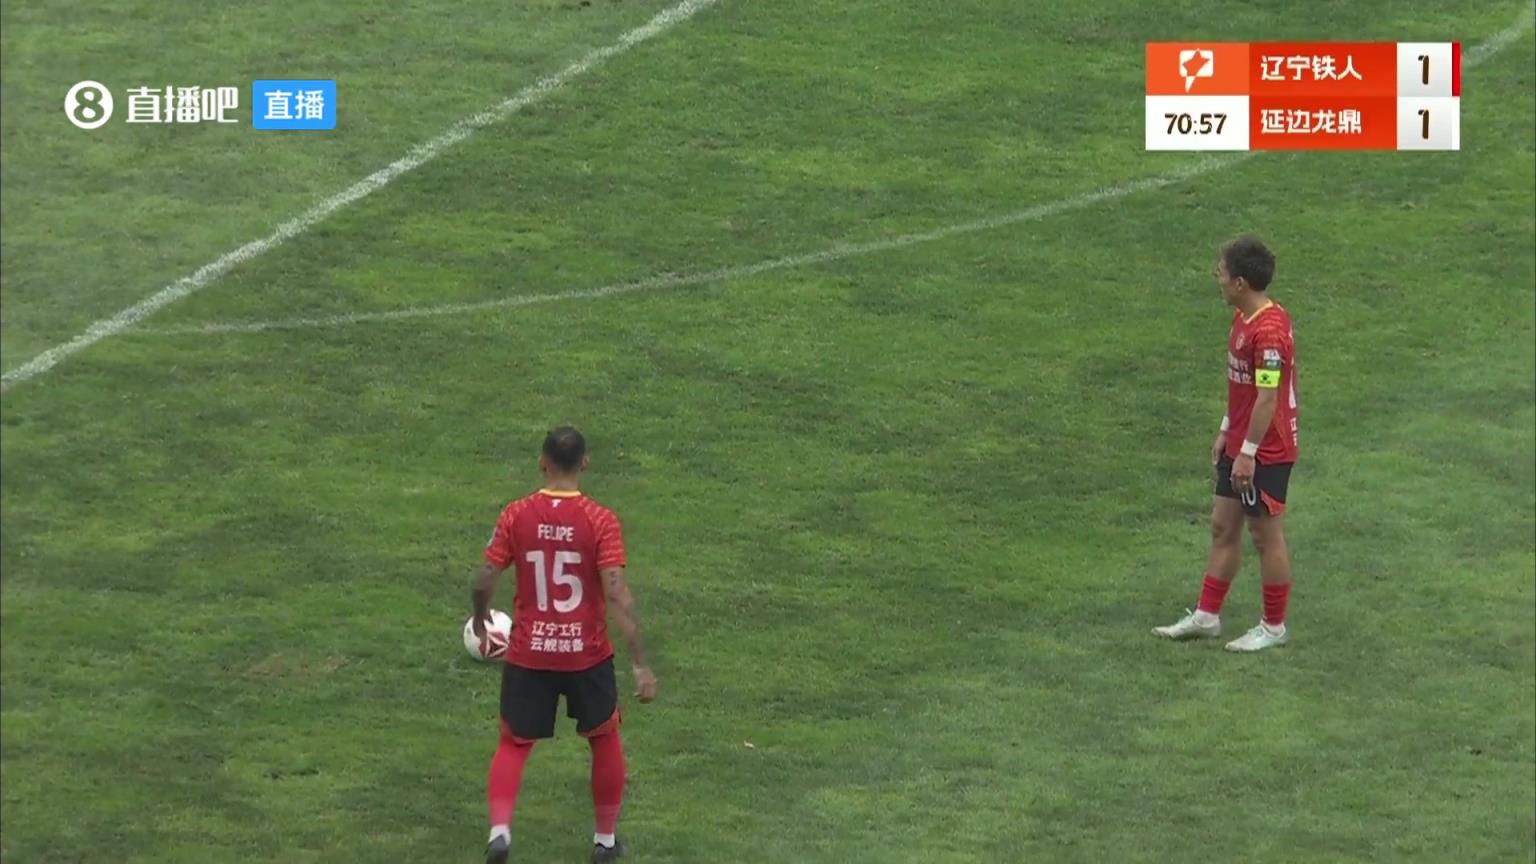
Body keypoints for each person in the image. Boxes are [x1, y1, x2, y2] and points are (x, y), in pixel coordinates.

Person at [470, 426, 658, 863]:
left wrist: (480, 620)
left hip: (529, 652)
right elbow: (617, 593)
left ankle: (500, 834)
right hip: (586, 655)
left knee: (514, 743)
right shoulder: (600, 520)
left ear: (543, 462)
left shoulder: (516, 514)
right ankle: (605, 842)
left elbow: (484, 578)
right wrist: (640, 663)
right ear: (585, 463)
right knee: (604, 738)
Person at [1154, 236, 1299, 652]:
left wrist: (1248, 453)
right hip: (1242, 440)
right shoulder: (1244, 318)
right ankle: (1207, 616)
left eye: (1221, 273)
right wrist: (1226, 428)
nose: (1217, 279)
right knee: (1223, 525)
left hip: (1266, 448)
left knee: (1265, 535)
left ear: (1240, 282)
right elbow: (1243, 389)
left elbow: (1267, 399)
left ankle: (1274, 627)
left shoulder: (1269, 333)